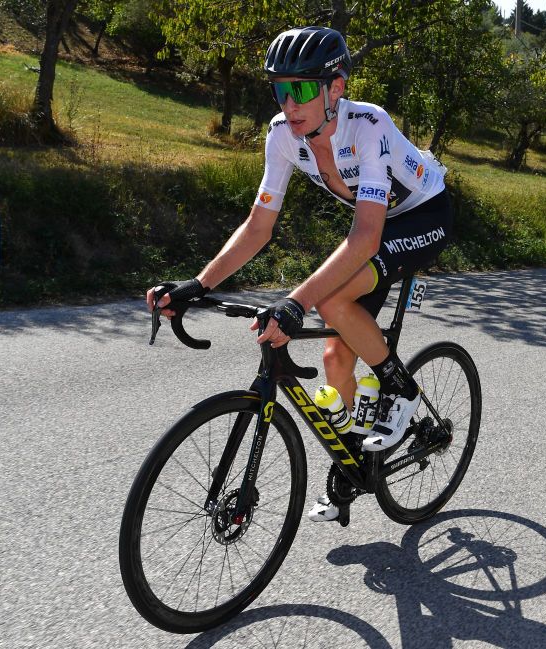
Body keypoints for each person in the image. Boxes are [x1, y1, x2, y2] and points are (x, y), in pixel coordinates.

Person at [147, 26, 453, 521]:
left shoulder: (368, 126)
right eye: (281, 89)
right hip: (375, 227)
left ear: (336, 88)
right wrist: (198, 284)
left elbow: (366, 238)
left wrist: (295, 301)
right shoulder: (282, 136)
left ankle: (400, 386)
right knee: (335, 357)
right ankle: (357, 465)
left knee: (327, 301)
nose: (290, 104)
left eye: (303, 89)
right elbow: (258, 226)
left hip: (424, 215)